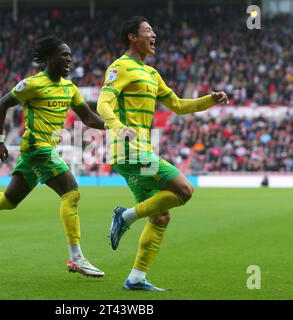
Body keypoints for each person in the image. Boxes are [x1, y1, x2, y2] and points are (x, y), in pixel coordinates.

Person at [0, 36, 106, 278]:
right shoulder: (32, 84)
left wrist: (115, 126)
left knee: (8, 200)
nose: (69, 58)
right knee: (71, 192)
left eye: (70, 55)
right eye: (63, 54)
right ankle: (76, 257)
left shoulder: (70, 88)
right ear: (48, 59)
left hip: (41, 152)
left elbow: (89, 118)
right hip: (37, 148)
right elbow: (2, 104)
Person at [97, 16, 229, 291]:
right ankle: (125, 217)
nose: (154, 34)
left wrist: (209, 99)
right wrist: (118, 127)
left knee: (160, 216)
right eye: (147, 31)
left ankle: (135, 278)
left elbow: (178, 105)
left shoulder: (152, 73)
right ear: (133, 38)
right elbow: (103, 103)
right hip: (128, 150)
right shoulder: (120, 67)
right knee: (184, 190)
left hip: (141, 151)